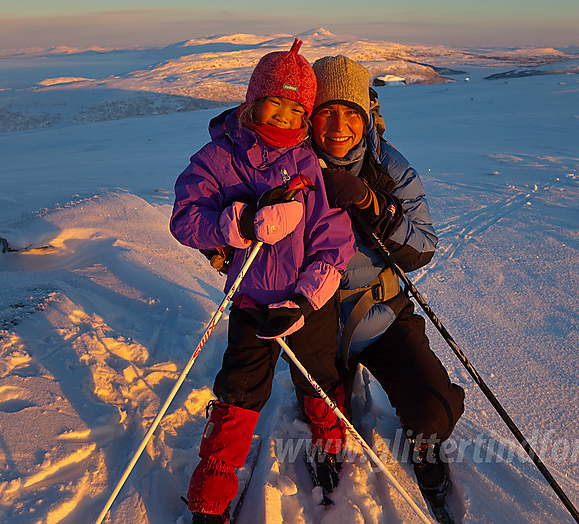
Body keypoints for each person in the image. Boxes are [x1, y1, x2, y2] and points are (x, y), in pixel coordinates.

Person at [170, 40, 355, 524]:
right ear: (253, 100)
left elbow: (333, 246)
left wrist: (305, 301)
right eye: (276, 102)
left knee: (317, 380)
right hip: (249, 301)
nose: (285, 117)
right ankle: (212, 492)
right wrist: (240, 224)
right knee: (239, 392)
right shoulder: (217, 159)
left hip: (303, 307)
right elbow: (185, 218)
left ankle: (330, 444)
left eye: (298, 110)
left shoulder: (309, 165)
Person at [308, 54, 465, 520]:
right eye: (327, 112)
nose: (340, 126)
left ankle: (425, 445)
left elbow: (421, 250)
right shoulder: (286, 167)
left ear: (366, 116)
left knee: (432, 407)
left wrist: (374, 205)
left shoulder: (388, 169)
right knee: (321, 419)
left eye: (351, 113)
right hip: (313, 324)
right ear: (309, 116)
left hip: (381, 315)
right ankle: (330, 441)